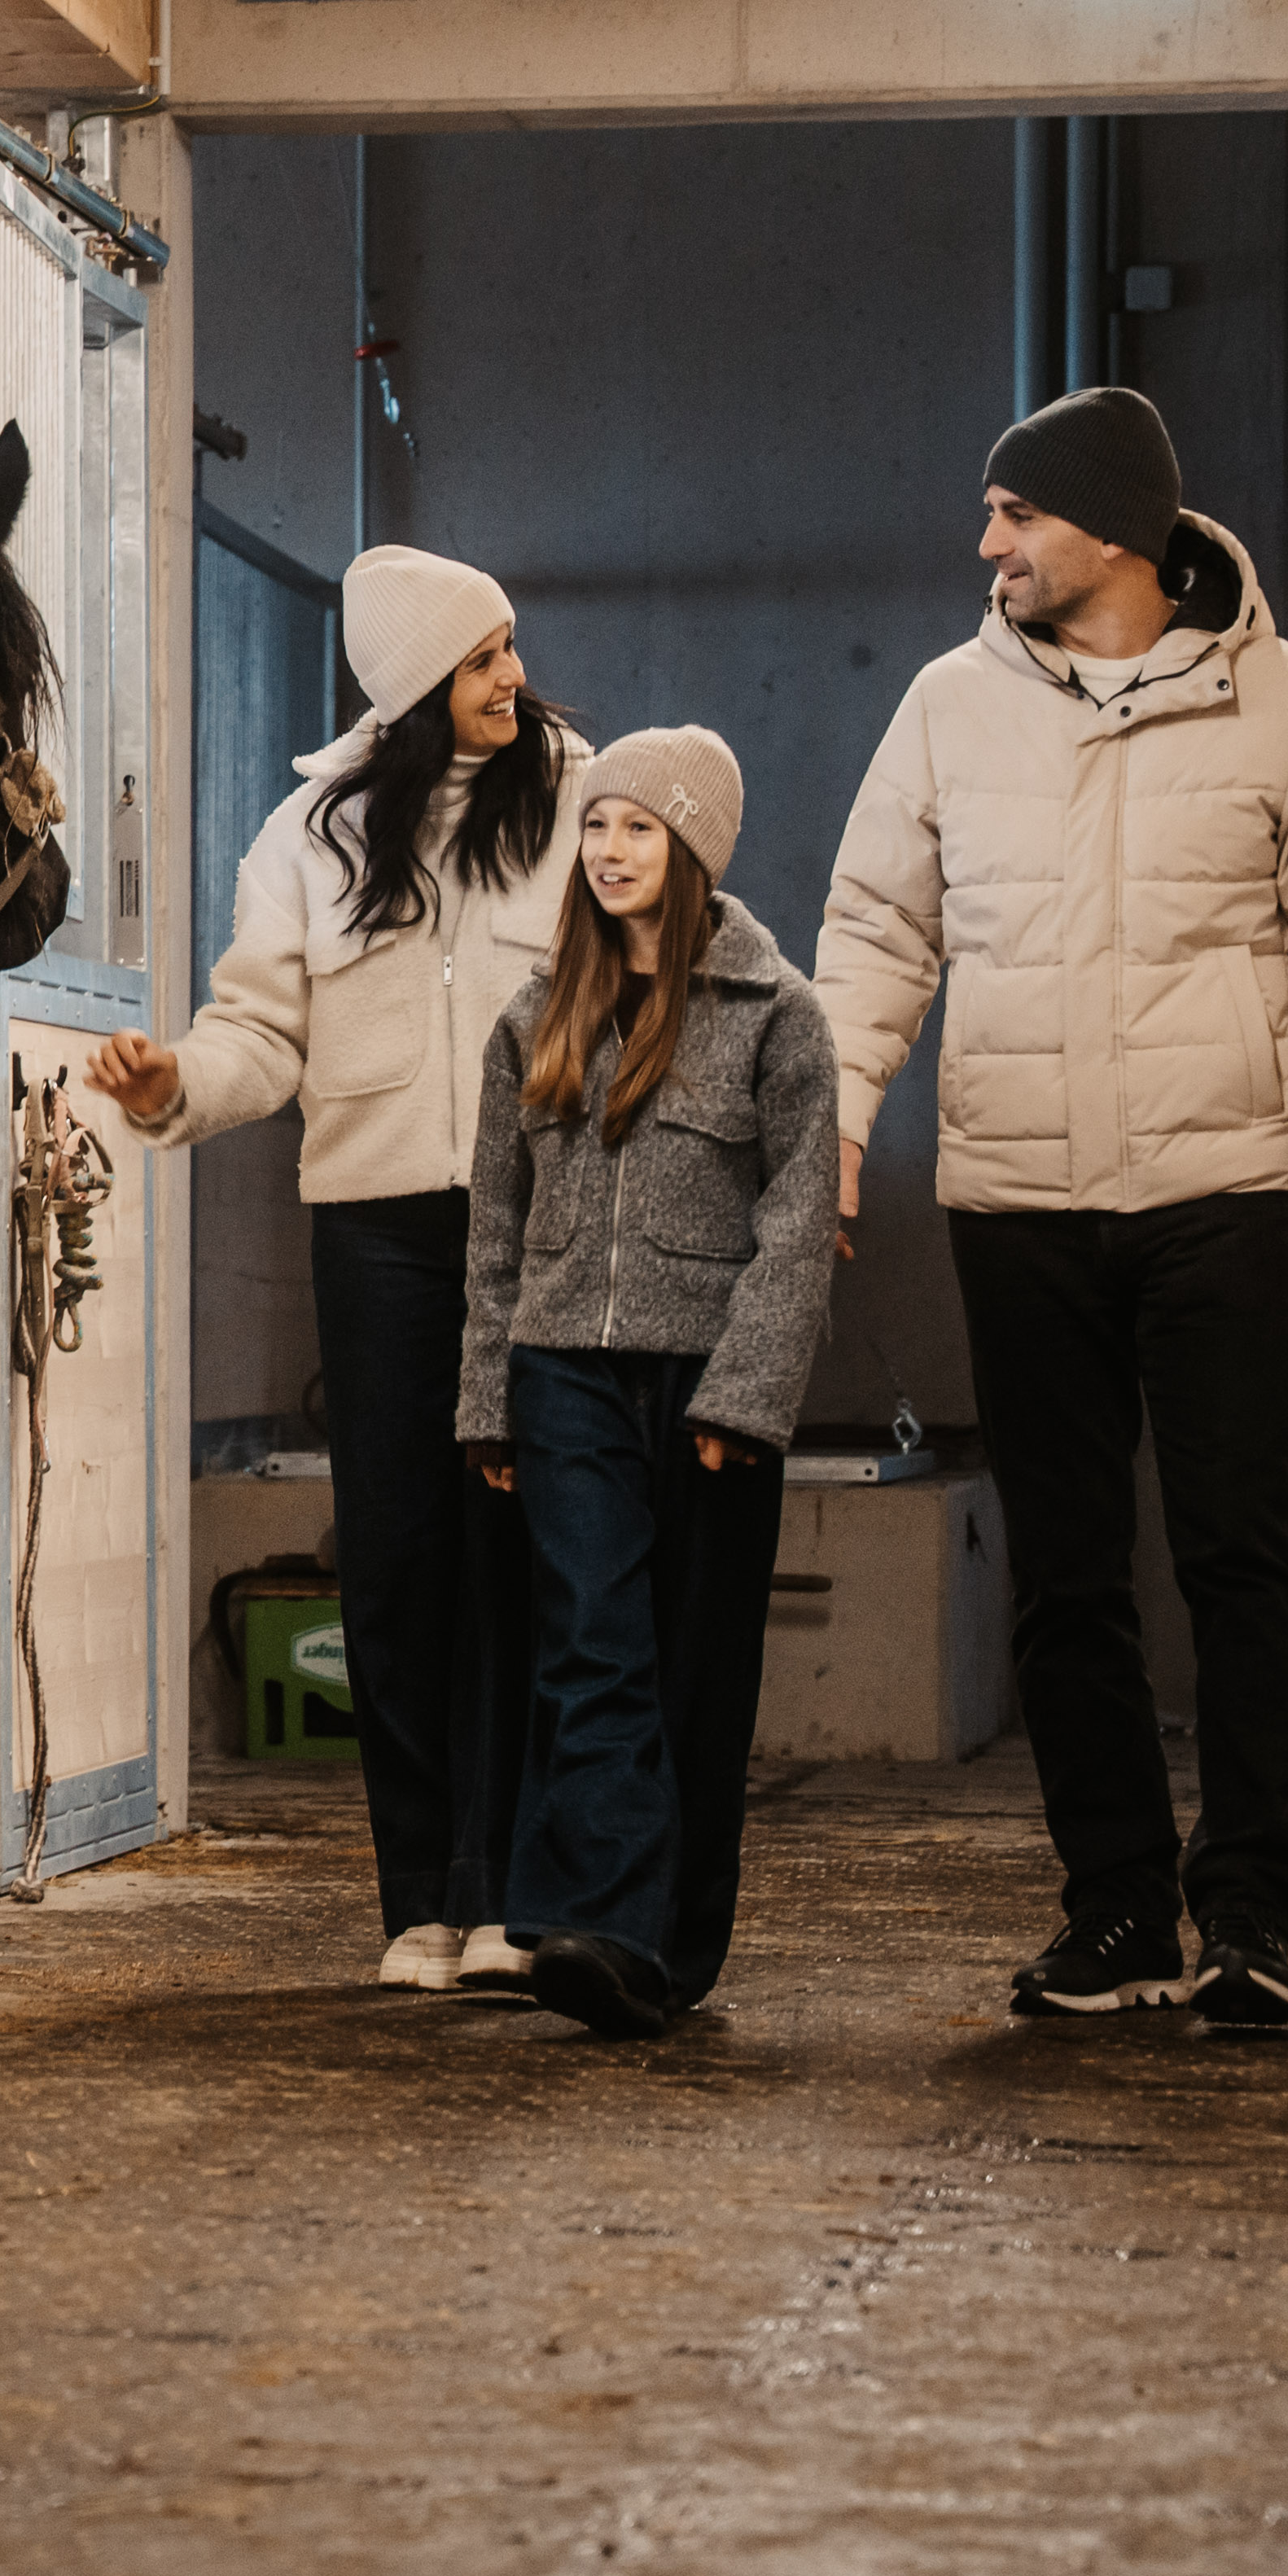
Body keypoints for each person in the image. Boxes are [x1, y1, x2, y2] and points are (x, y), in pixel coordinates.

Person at [809, 385, 1288, 2034]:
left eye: (1015, 513)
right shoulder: (948, 707)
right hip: (1017, 1197)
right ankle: (1117, 1915)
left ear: (1111, 529)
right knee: (1064, 1573)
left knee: (1241, 1559)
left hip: (1224, 1190)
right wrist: (835, 1126)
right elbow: (876, 932)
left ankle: (1248, 1921)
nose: (988, 541)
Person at [88, 549, 583, 1997]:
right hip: (373, 1232)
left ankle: (511, 1894)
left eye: (511, 649)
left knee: (521, 1561)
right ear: (423, 684)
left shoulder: (569, 802)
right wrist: (175, 1079)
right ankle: (418, 1900)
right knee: (399, 1559)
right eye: (487, 659)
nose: (515, 679)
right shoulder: (306, 839)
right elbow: (263, 1033)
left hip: (531, 1221)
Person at [453, 728, 840, 2040]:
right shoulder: (533, 1016)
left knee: (697, 1659)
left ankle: (668, 1948)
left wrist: (746, 1395)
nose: (609, 852)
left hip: (706, 1377)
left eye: (639, 831)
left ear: (693, 852)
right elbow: (494, 1232)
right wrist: (489, 1399)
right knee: (593, 1643)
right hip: (562, 1369)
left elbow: (797, 1221)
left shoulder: (777, 1017)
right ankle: (600, 1928)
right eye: (597, 827)